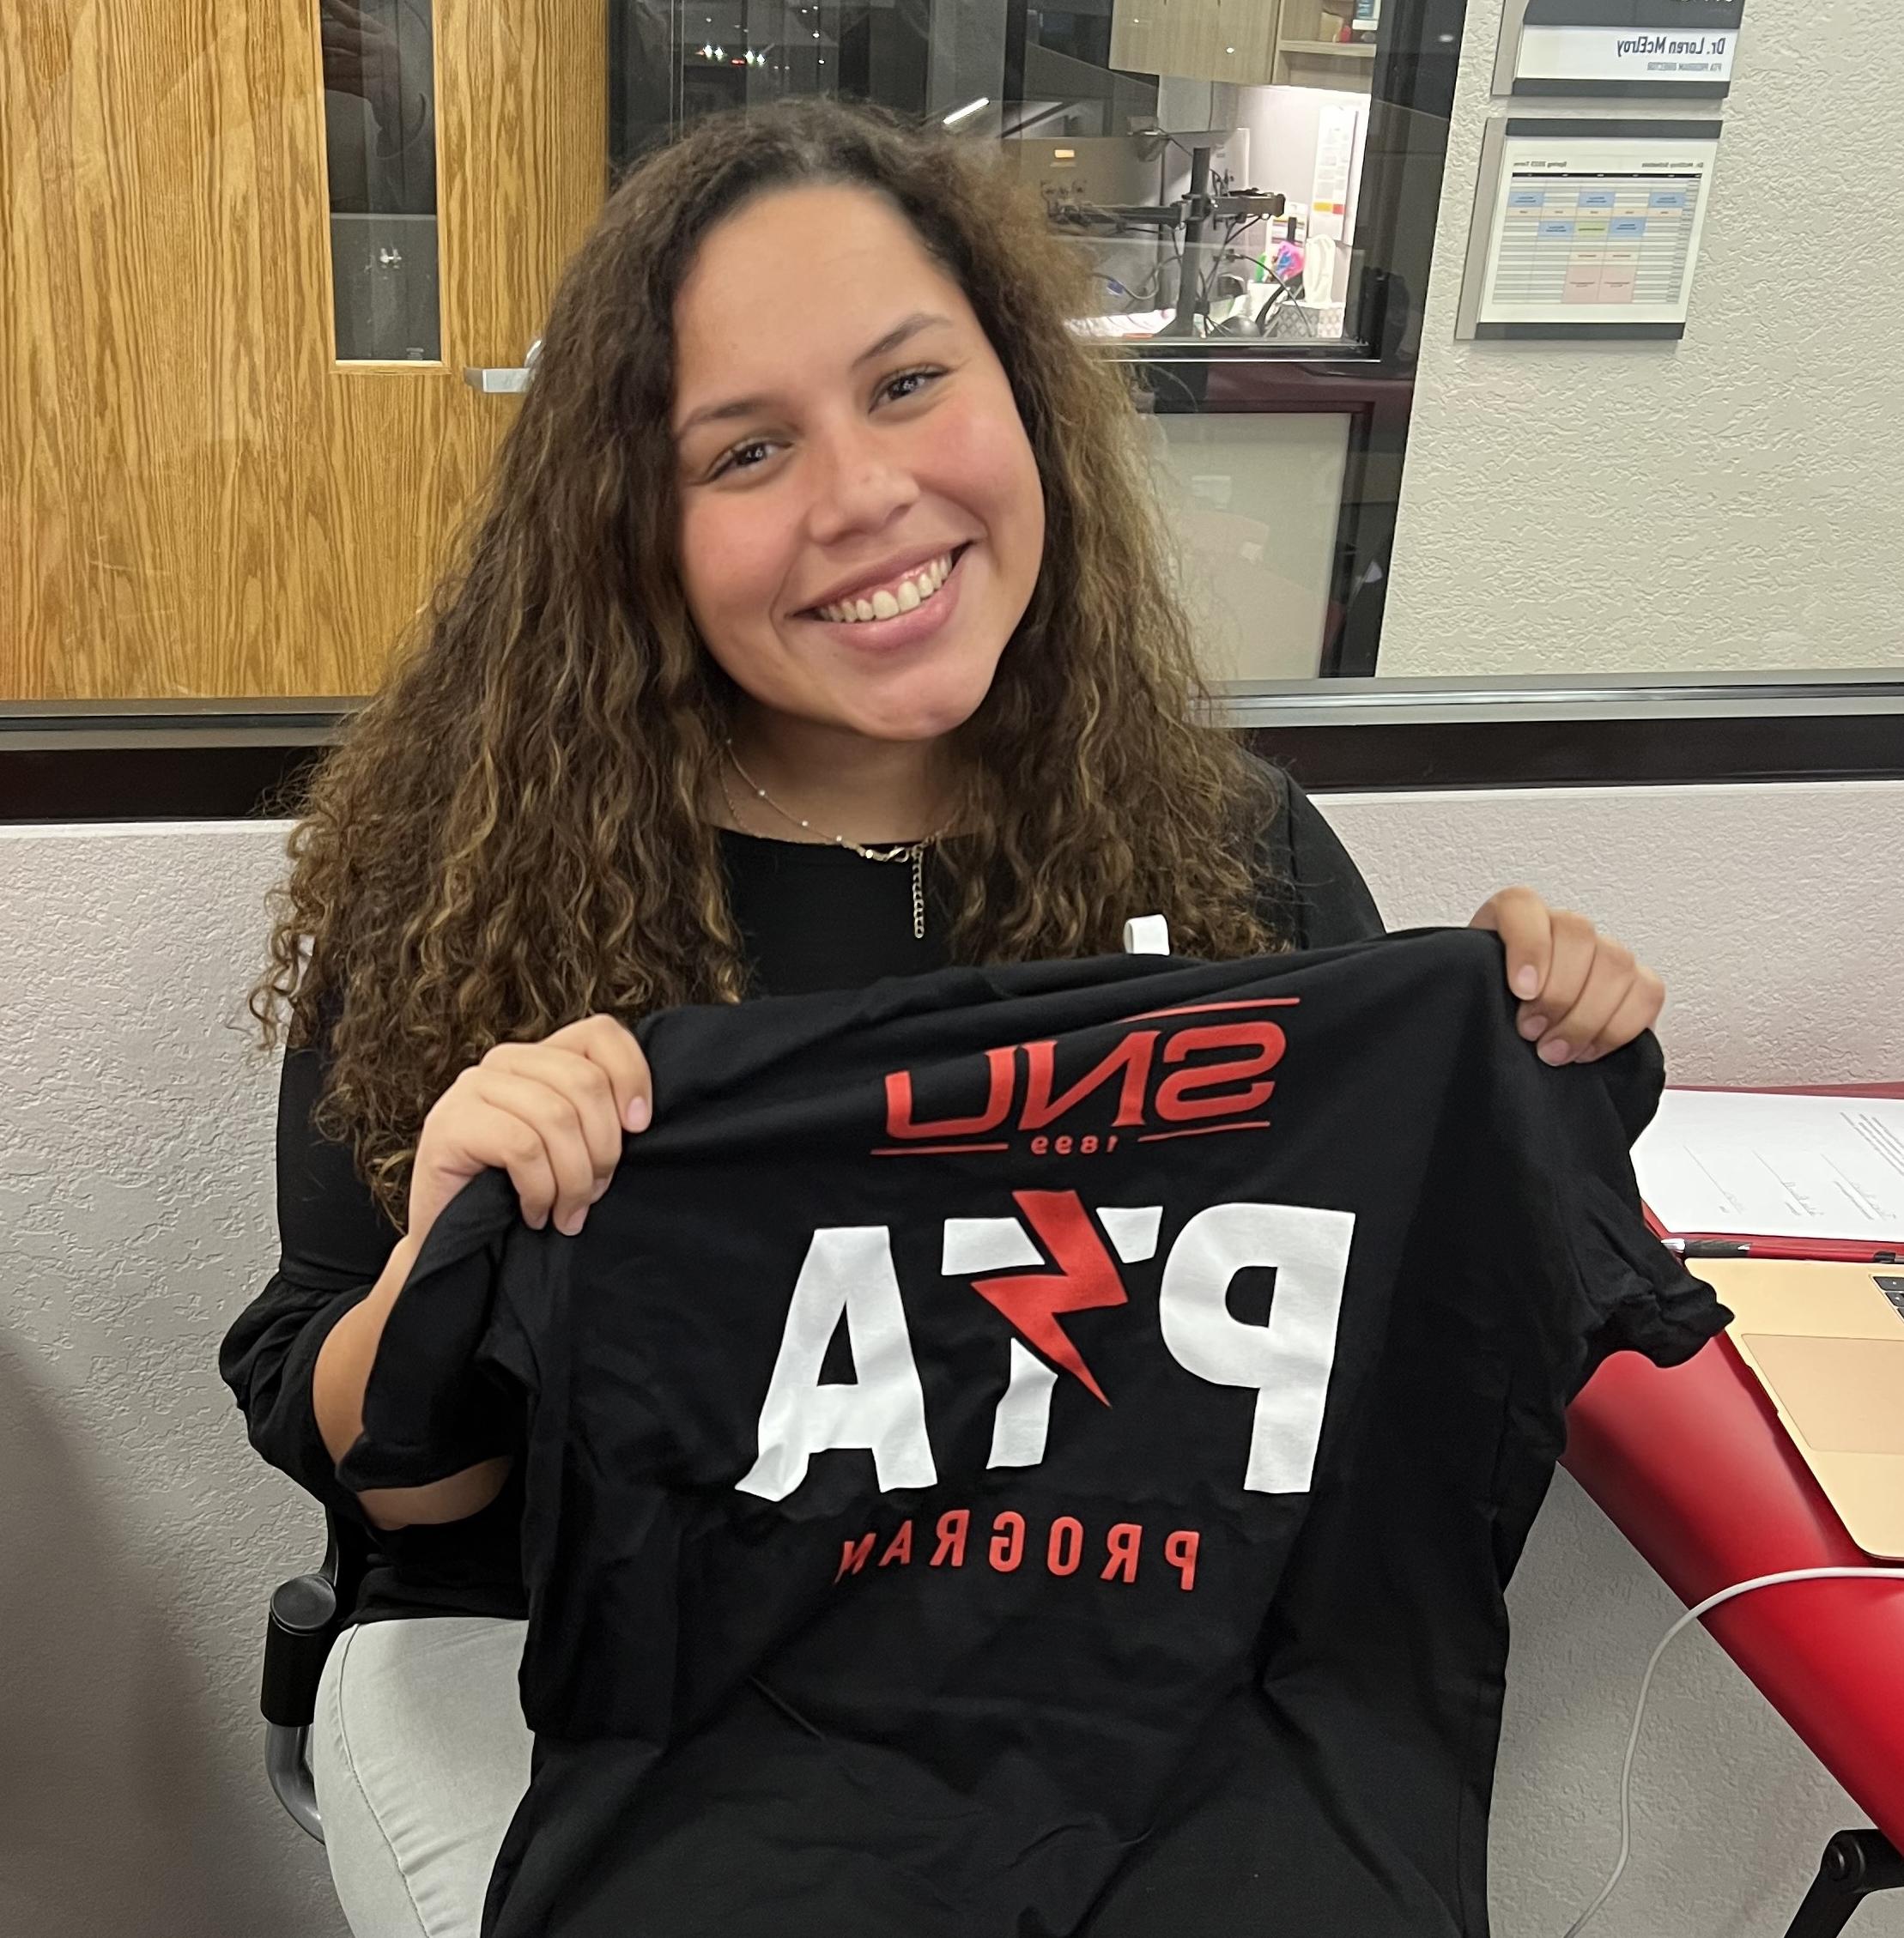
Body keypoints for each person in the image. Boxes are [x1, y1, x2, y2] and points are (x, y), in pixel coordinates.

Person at [221, 96, 1664, 1938]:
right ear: (632, 528)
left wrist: (1521, 1055)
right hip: (642, 1723)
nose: (860, 496)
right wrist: (448, 1245)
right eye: (743, 451)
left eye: (907, 385)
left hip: (1134, 1712)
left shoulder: (1238, 856)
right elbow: (404, 1499)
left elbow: (1376, 1368)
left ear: (1021, 393)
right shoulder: (466, 882)